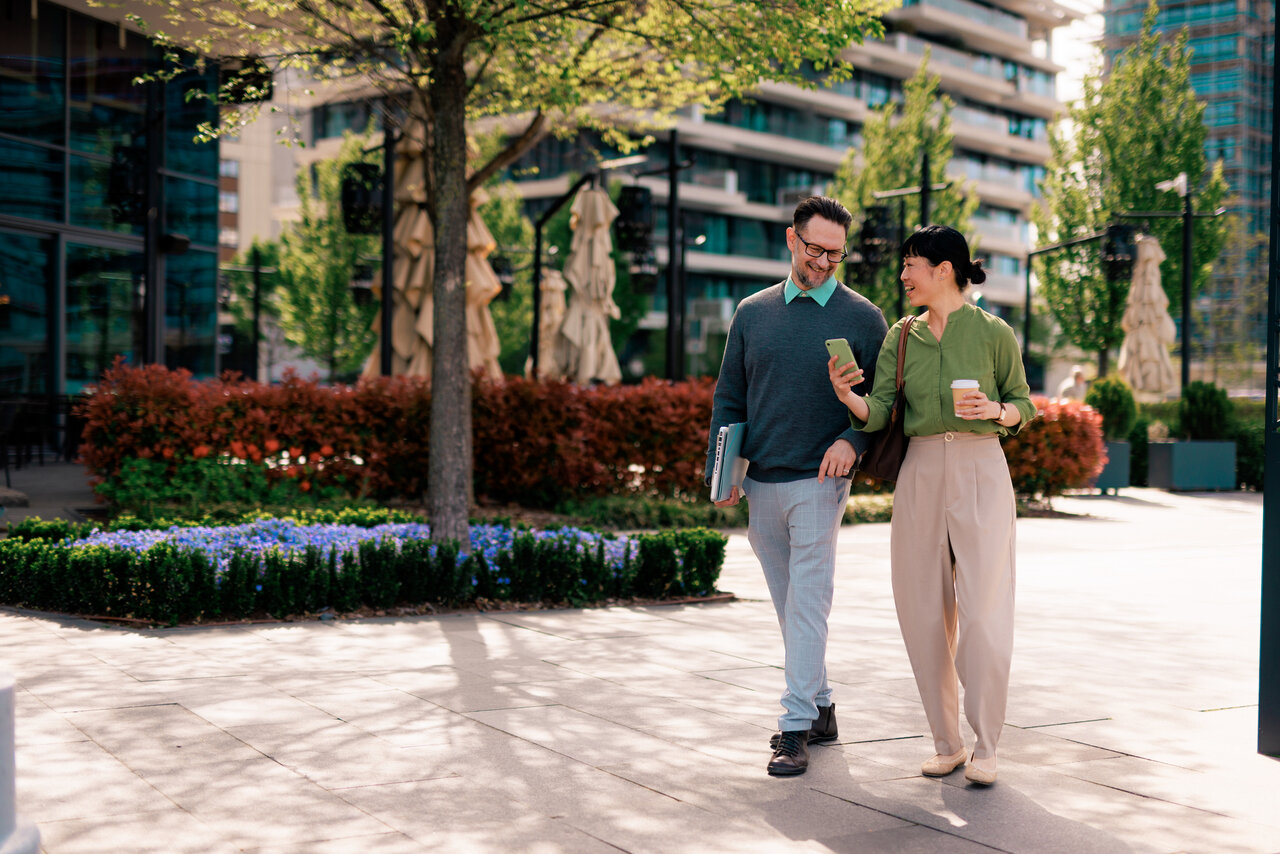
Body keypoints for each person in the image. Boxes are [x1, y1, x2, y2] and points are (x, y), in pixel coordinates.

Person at [827, 225, 1034, 786]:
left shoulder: (994, 333)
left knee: (985, 613)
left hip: (982, 465)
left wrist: (995, 410)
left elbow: (1024, 406)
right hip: (919, 470)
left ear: (944, 268)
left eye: (912, 265)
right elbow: (882, 409)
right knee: (921, 610)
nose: (904, 276)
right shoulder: (902, 336)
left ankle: (987, 746)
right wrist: (850, 397)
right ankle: (947, 743)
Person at [706, 196, 888, 777]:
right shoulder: (752, 313)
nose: (825, 263)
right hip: (761, 480)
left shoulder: (864, 319)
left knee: (808, 601)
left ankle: (793, 728)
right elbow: (730, 399)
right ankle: (822, 705)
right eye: (815, 250)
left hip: (821, 479)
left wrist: (853, 442)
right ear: (791, 240)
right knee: (791, 605)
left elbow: (886, 403)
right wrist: (725, 474)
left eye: (836, 254)